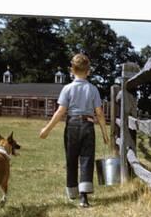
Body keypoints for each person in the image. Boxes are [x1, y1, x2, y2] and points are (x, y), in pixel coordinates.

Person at [39, 53, 109, 207]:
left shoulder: (67, 88)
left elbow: (60, 112)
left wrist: (47, 129)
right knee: (86, 159)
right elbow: (100, 113)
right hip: (88, 126)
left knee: (71, 159)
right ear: (88, 71)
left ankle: (72, 193)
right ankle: (84, 197)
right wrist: (105, 133)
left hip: (72, 126)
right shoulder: (93, 89)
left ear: (72, 70)